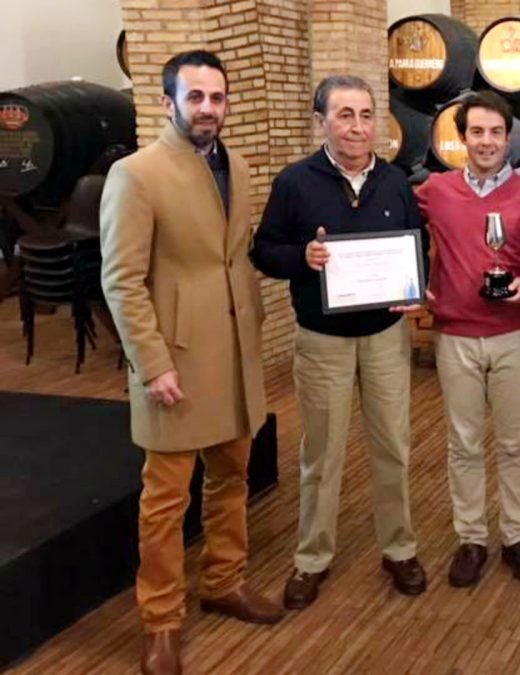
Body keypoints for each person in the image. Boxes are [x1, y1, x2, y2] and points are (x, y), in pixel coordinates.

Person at [100, 49, 281, 675]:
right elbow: (122, 281)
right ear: (167, 101)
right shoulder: (137, 174)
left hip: (234, 355)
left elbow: (235, 258)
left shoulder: (239, 164)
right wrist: (151, 364)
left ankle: (224, 581)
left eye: (218, 97)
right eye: (196, 97)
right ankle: (160, 621)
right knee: (165, 500)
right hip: (174, 360)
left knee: (233, 480)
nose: (209, 108)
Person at [251, 75, 430, 611]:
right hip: (322, 339)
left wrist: (413, 287)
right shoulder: (295, 182)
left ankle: (399, 548)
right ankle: (312, 558)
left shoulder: (396, 180)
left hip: (383, 338)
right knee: (322, 454)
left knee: (393, 448)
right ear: (321, 121)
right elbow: (264, 251)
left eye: (366, 114)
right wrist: (300, 257)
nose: (358, 126)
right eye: (345, 114)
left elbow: (416, 241)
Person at [415, 91, 520, 588]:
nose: (487, 141)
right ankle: (471, 537)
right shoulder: (435, 191)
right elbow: (400, 232)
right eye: (477, 131)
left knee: (515, 443)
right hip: (454, 335)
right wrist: (414, 281)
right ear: (463, 136)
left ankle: (518, 536)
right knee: (464, 443)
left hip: (512, 332)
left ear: (508, 135)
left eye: (496, 132)